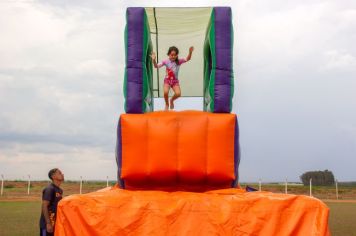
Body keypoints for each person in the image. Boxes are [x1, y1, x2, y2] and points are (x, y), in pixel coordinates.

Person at [151, 46, 194, 110]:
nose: (173, 56)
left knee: (178, 94)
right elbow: (156, 66)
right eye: (172, 55)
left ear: (177, 55)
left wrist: (190, 52)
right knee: (165, 92)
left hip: (175, 81)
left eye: (175, 55)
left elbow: (187, 59)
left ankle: (171, 100)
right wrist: (154, 60)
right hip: (167, 80)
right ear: (168, 54)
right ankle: (166, 104)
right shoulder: (165, 61)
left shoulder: (179, 61)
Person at [39, 168, 64, 236]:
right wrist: (48, 223)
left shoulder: (60, 190)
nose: (62, 174)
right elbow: (44, 206)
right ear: (53, 176)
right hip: (47, 224)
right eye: (59, 173)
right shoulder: (49, 189)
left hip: (55, 223)